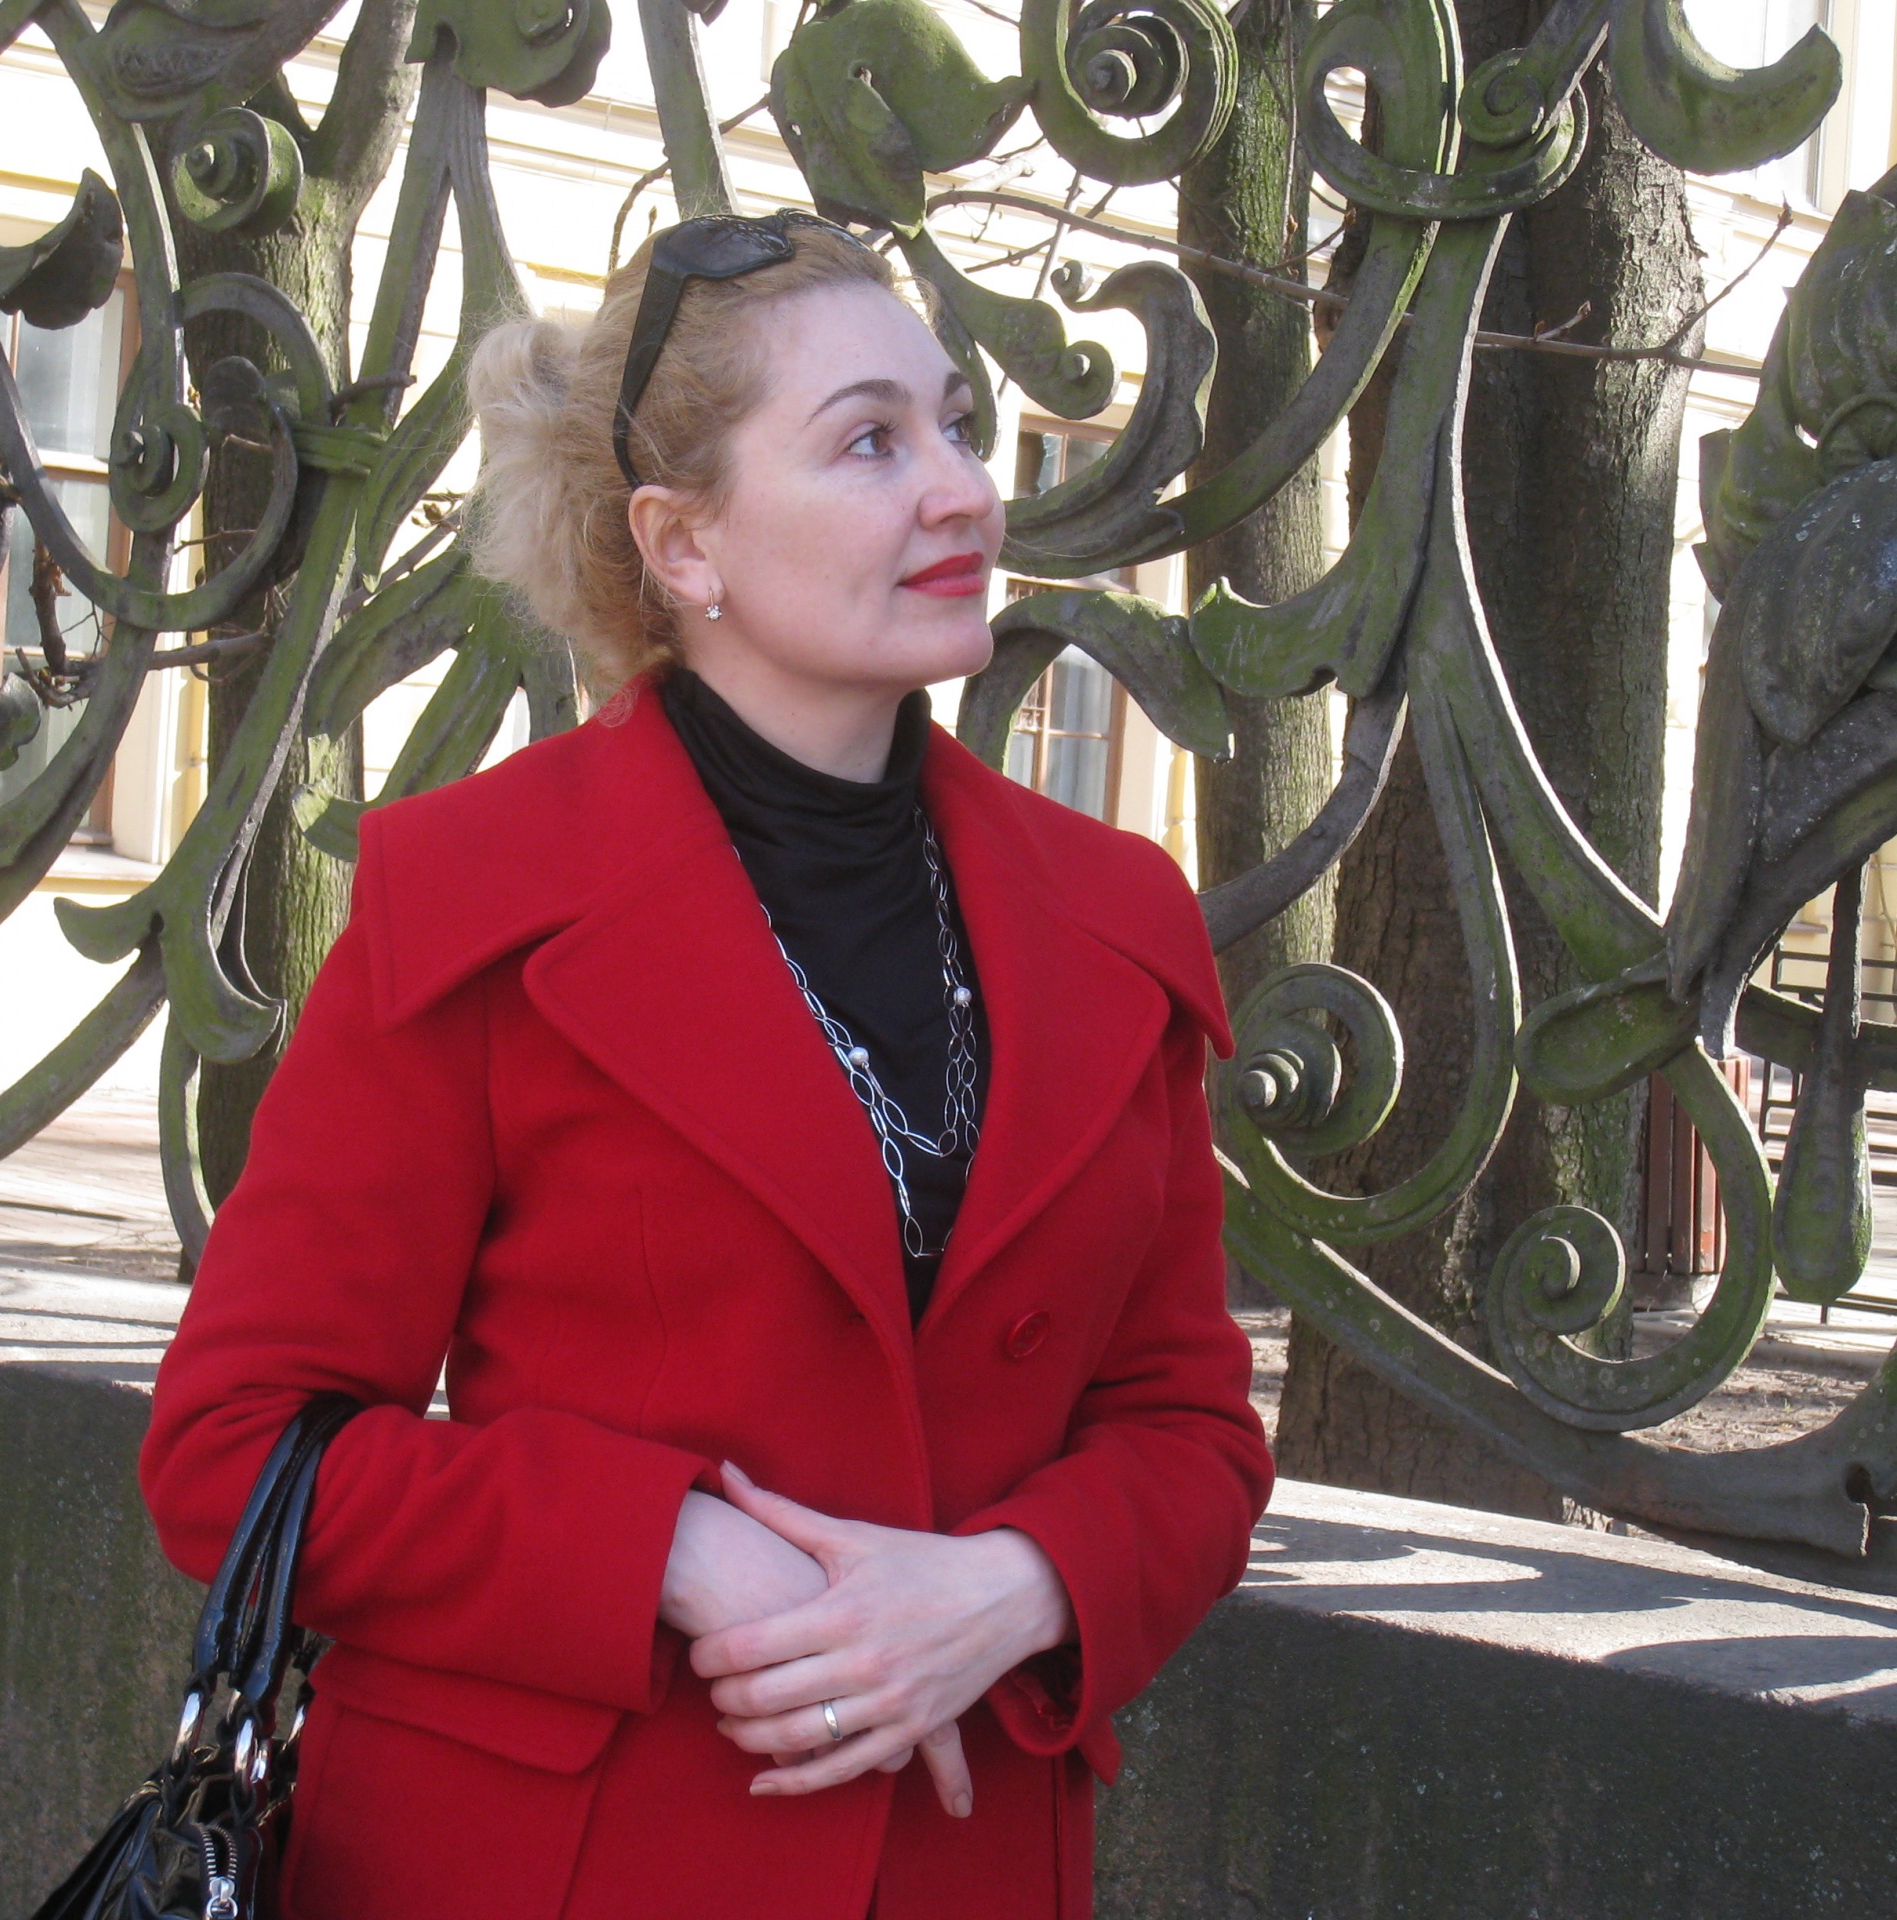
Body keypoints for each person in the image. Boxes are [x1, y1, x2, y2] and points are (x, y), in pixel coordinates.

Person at [139, 210, 1272, 1920]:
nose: (964, 490)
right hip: (546, 1869)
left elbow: (1189, 1427)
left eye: (958, 425)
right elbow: (230, 1450)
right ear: (683, 543)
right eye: (870, 442)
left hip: (960, 1866)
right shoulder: (478, 900)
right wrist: (670, 1548)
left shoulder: (1115, 919)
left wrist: (1017, 1586)